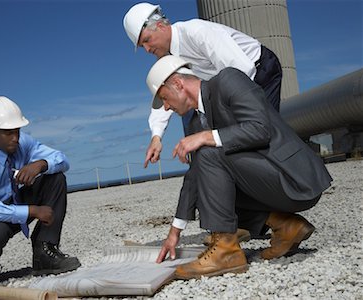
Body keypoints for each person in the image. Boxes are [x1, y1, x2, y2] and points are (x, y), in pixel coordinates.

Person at [145, 55, 332, 279]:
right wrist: (174, 233)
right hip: (268, 182)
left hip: (294, 177)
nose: (166, 107)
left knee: (208, 154)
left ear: (177, 83)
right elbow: (194, 178)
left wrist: (206, 137)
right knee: (209, 181)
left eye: (165, 99)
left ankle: (226, 252)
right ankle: (286, 227)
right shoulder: (197, 122)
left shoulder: (228, 80)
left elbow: (260, 129)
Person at [123, 3, 283, 240]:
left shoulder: (197, 32)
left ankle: (281, 213)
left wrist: (224, 125)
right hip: (220, 89)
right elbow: (165, 95)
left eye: (146, 40)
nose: (146, 49)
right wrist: (157, 136)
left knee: (251, 142)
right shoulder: (168, 59)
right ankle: (241, 222)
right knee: (209, 149)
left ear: (160, 25)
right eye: (141, 46)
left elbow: (241, 69)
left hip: (258, 72)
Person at [0, 96, 80, 285]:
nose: (15, 138)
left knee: (55, 177)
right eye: (8, 133)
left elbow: (62, 160)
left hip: (11, 203)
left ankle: (44, 253)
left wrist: (40, 164)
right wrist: (32, 211)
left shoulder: (21, 143)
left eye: (17, 131)